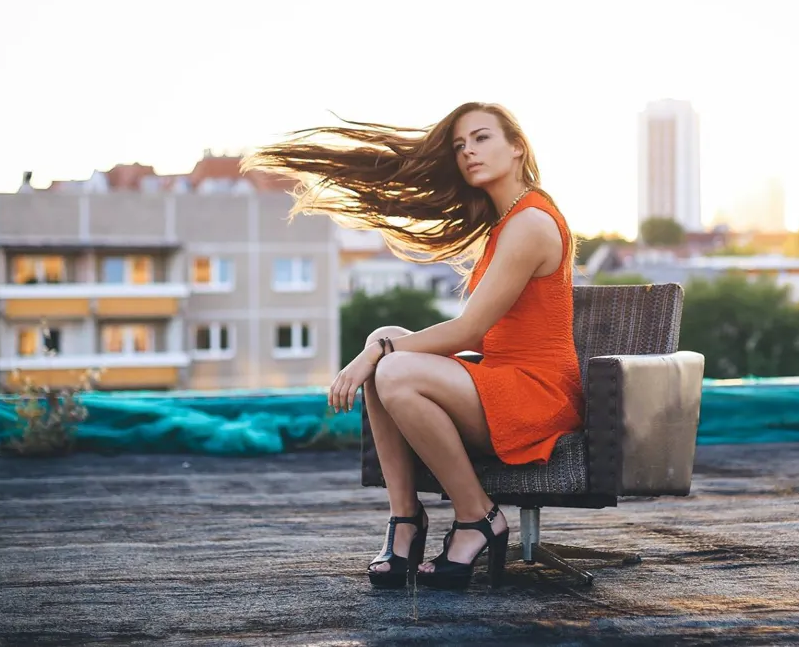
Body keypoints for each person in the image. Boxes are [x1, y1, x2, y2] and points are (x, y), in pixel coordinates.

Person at [242, 102, 583, 590]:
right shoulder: (506, 221)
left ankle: (478, 517)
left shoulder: (531, 222)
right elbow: (477, 337)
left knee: (392, 365)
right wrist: (380, 348)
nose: (468, 153)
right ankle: (405, 519)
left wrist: (375, 359)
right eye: (460, 146)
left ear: (517, 147)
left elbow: (468, 331)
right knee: (386, 339)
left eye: (481, 139)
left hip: (538, 395)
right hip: (505, 380)